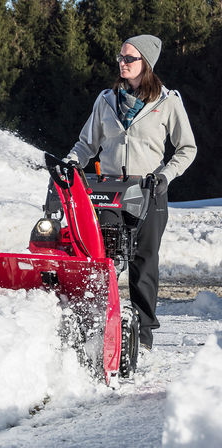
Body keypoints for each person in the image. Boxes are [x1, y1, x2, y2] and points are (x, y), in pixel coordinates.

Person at [64, 34, 197, 351]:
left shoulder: (166, 102)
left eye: (129, 58)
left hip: (148, 190)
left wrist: (164, 176)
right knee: (103, 258)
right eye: (121, 58)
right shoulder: (106, 100)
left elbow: (186, 149)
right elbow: (87, 144)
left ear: (146, 64)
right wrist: (71, 163)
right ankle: (98, 326)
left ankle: (144, 335)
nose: (122, 63)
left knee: (143, 262)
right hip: (109, 190)